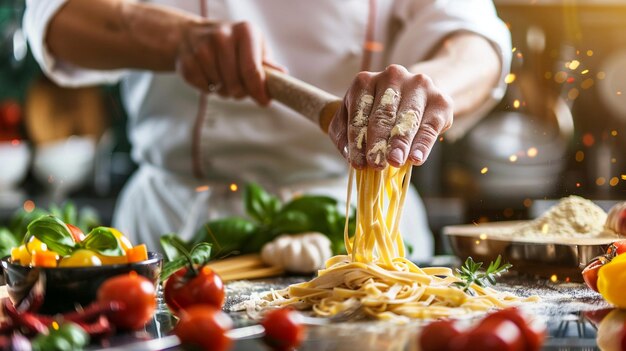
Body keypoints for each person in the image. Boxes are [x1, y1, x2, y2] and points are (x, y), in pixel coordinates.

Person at [23, 0, 511, 260]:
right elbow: (56, 17)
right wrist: (178, 38)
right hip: (175, 227)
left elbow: (475, 41)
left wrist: (427, 89)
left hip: (357, 220)